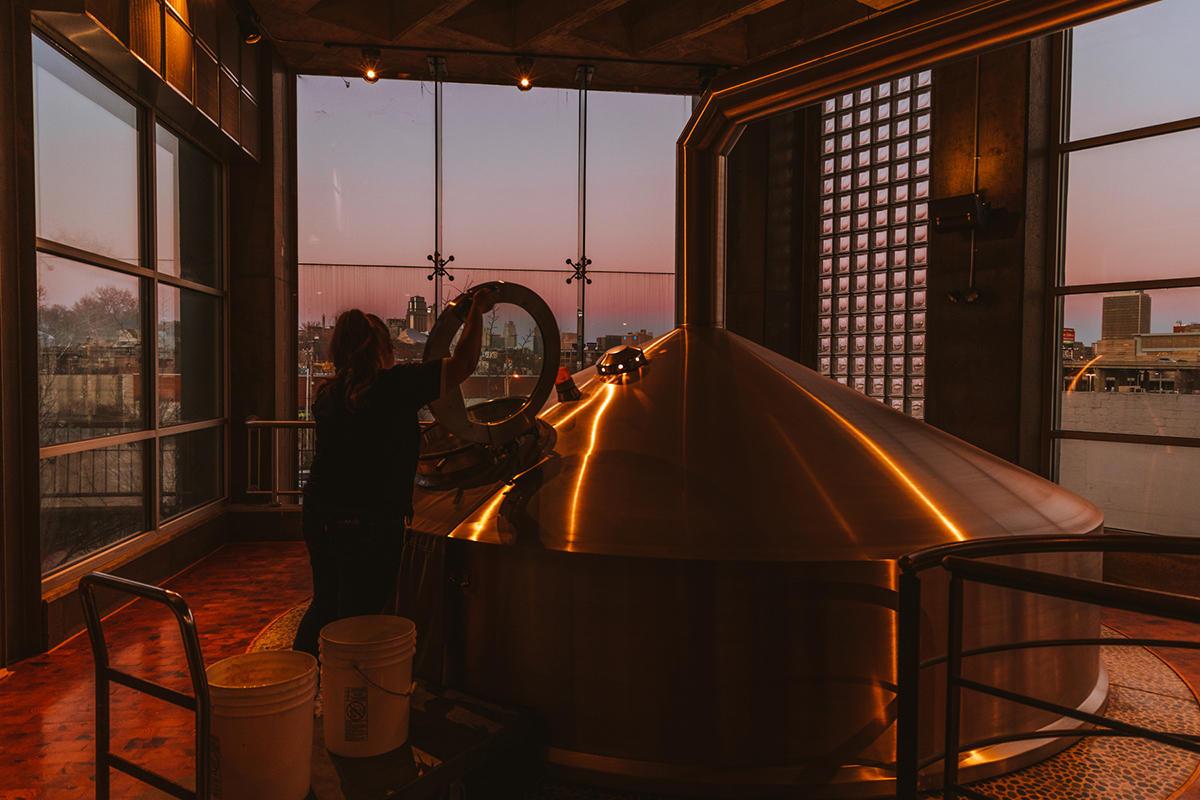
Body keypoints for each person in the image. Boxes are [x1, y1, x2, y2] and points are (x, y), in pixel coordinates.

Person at [291, 288, 497, 660]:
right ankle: (351, 697)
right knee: (359, 620)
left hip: (318, 515)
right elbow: (464, 362)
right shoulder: (395, 386)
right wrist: (476, 313)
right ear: (382, 348)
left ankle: (298, 681)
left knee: (324, 605)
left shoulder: (326, 395)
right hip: (369, 525)